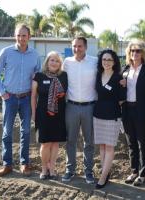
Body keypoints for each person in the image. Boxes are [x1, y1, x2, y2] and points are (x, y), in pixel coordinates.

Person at [0, 24, 41, 177]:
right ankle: (7, 165)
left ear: (29, 37)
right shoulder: (6, 52)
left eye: (24, 35)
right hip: (9, 98)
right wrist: (2, 93)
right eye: (19, 35)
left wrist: (36, 80)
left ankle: (24, 163)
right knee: (7, 132)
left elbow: (38, 74)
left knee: (25, 131)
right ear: (15, 36)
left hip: (26, 98)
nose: (21, 38)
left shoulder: (35, 55)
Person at [62, 36, 98, 184]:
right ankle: (70, 170)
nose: (76, 49)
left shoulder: (94, 62)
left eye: (80, 46)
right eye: (74, 46)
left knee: (89, 141)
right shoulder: (67, 62)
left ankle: (88, 172)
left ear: (86, 47)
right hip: (71, 106)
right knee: (70, 140)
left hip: (90, 107)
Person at [121, 40, 145, 186]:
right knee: (131, 143)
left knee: (143, 142)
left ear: (143, 53)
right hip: (127, 110)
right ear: (129, 53)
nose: (135, 53)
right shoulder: (125, 70)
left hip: (142, 111)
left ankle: (144, 173)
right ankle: (134, 171)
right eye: (132, 51)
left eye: (138, 51)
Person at [31, 51, 68, 180]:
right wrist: (34, 113)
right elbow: (33, 96)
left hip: (59, 114)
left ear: (60, 64)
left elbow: (65, 94)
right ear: (47, 61)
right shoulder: (39, 76)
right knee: (45, 143)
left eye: (57, 61)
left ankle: (52, 168)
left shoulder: (63, 76)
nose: (54, 62)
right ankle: (44, 169)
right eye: (52, 60)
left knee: (55, 143)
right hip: (42, 114)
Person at [93, 49, 126, 189]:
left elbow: (122, 98)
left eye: (109, 60)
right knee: (101, 145)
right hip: (98, 114)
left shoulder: (119, 78)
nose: (106, 62)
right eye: (104, 59)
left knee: (110, 146)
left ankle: (102, 177)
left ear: (114, 62)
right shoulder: (97, 75)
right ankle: (106, 173)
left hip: (112, 116)